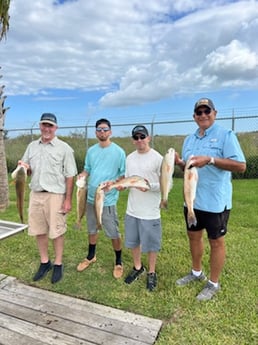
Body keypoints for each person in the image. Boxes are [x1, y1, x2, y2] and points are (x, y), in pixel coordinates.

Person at [175, 98, 246, 301]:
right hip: (192, 201)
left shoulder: (226, 135)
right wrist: (180, 162)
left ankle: (213, 283)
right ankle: (196, 272)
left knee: (216, 242)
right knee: (193, 237)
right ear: (194, 117)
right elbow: (188, 168)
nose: (203, 115)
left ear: (215, 113)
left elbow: (240, 166)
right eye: (199, 112)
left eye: (207, 111)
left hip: (215, 202)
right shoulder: (189, 139)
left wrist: (211, 159)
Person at [19, 113, 77, 284]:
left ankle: (58, 264)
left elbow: (70, 176)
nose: (47, 129)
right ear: (40, 126)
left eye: (50, 126)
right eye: (44, 125)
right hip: (36, 194)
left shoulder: (64, 148)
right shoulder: (31, 146)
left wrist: (68, 200)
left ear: (56, 128)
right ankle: (45, 262)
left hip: (55, 195)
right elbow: (27, 170)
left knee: (57, 231)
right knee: (39, 230)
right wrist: (24, 168)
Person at [76, 118, 126, 279]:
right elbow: (87, 169)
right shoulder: (91, 151)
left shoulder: (119, 152)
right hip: (90, 198)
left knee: (113, 232)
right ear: (95, 132)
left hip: (107, 200)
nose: (102, 132)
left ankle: (118, 262)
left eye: (105, 129)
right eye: (99, 129)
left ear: (110, 131)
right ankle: (91, 256)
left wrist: (114, 183)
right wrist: (82, 176)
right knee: (92, 229)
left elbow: (123, 175)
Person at [122, 125, 163, 291]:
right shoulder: (129, 158)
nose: (139, 140)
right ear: (133, 140)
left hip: (150, 211)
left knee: (152, 244)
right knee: (133, 241)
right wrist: (121, 185)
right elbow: (127, 179)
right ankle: (138, 267)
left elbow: (166, 184)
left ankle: (151, 272)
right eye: (136, 138)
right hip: (132, 209)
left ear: (149, 137)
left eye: (142, 137)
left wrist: (150, 187)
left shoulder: (158, 158)